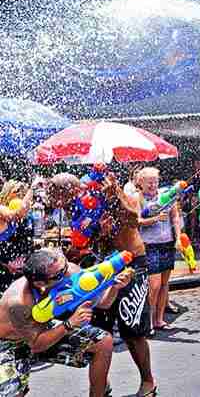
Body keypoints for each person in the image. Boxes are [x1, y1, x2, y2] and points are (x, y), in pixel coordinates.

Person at [46, 173, 157, 397]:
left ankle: (148, 381)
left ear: (69, 189)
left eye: (59, 197)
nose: (59, 204)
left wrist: (115, 193)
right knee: (97, 330)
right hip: (100, 266)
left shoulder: (115, 193)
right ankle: (100, 386)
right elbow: (87, 238)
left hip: (130, 263)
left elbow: (134, 220)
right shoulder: (78, 205)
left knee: (132, 329)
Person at [0, 248, 131, 397]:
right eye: (60, 274)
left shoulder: (69, 270)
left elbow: (103, 303)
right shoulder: (19, 302)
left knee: (103, 342)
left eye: (65, 266)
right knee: (11, 393)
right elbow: (36, 345)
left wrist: (114, 286)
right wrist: (69, 323)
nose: (68, 272)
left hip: (43, 330)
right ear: (40, 283)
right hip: (9, 343)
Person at [136, 168, 182, 331]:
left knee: (164, 284)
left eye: (155, 181)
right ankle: (147, 321)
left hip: (167, 242)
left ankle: (159, 320)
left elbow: (175, 217)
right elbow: (138, 221)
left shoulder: (166, 195)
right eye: (149, 182)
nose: (153, 185)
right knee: (153, 285)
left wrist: (178, 238)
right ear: (141, 182)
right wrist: (154, 219)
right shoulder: (138, 198)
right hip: (150, 245)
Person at [0, 179, 41, 295]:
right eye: (17, 191)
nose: (20, 195)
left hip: (24, 267)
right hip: (5, 270)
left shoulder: (27, 213)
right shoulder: (2, 209)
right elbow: (18, 214)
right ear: (7, 192)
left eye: (22, 192)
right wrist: (32, 189)